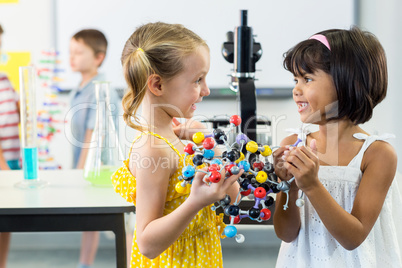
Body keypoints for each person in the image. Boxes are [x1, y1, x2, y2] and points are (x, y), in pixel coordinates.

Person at [112, 22, 241, 268]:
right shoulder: (154, 150)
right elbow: (148, 244)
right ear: (158, 85)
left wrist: (212, 147)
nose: (206, 89)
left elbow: (232, 198)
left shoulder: (182, 139)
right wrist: (195, 202)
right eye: (197, 80)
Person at [272, 27, 402, 267]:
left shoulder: (377, 154)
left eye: (307, 79)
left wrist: (311, 185)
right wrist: (288, 188)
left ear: (347, 82)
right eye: (295, 79)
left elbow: (353, 237)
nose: (296, 89)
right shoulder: (292, 145)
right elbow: (286, 234)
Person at [68, 29, 120, 268]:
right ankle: (84, 264)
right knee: (90, 220)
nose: (72, 57)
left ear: (98, 57)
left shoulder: (102, 89)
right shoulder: (79, 88)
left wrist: (78, 174)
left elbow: (92, 138)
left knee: (121, 223)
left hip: (100, 169)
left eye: (79, 52)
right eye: (71, 52)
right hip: (84, 166)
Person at [0, 23, 20, 268]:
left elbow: (14, 111)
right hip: (2, 163)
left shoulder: (4, 78)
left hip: (12, 160)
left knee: (5, 223)